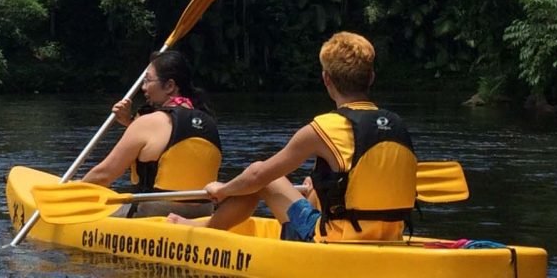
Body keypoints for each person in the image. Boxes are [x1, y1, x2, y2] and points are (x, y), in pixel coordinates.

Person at [168, 32, 417, 243]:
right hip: (389, 237)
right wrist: (322, 188)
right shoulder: (397, 125)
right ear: (371, 78)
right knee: (316, 188)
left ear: (326, 79)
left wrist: (223, 190)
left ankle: (206, 230)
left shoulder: (325, 126)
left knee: (261, 174)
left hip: (337, 240)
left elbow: (258, 177)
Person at [81, 50, 222, 218]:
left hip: (153, 214)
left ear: (169, 86)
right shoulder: (208, 122)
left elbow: (102, 175)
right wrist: (130, 123)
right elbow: (167, 145)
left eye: (147, 80)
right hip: (202, 215)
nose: (143, 87)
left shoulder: (148, 122)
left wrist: (71, 193)